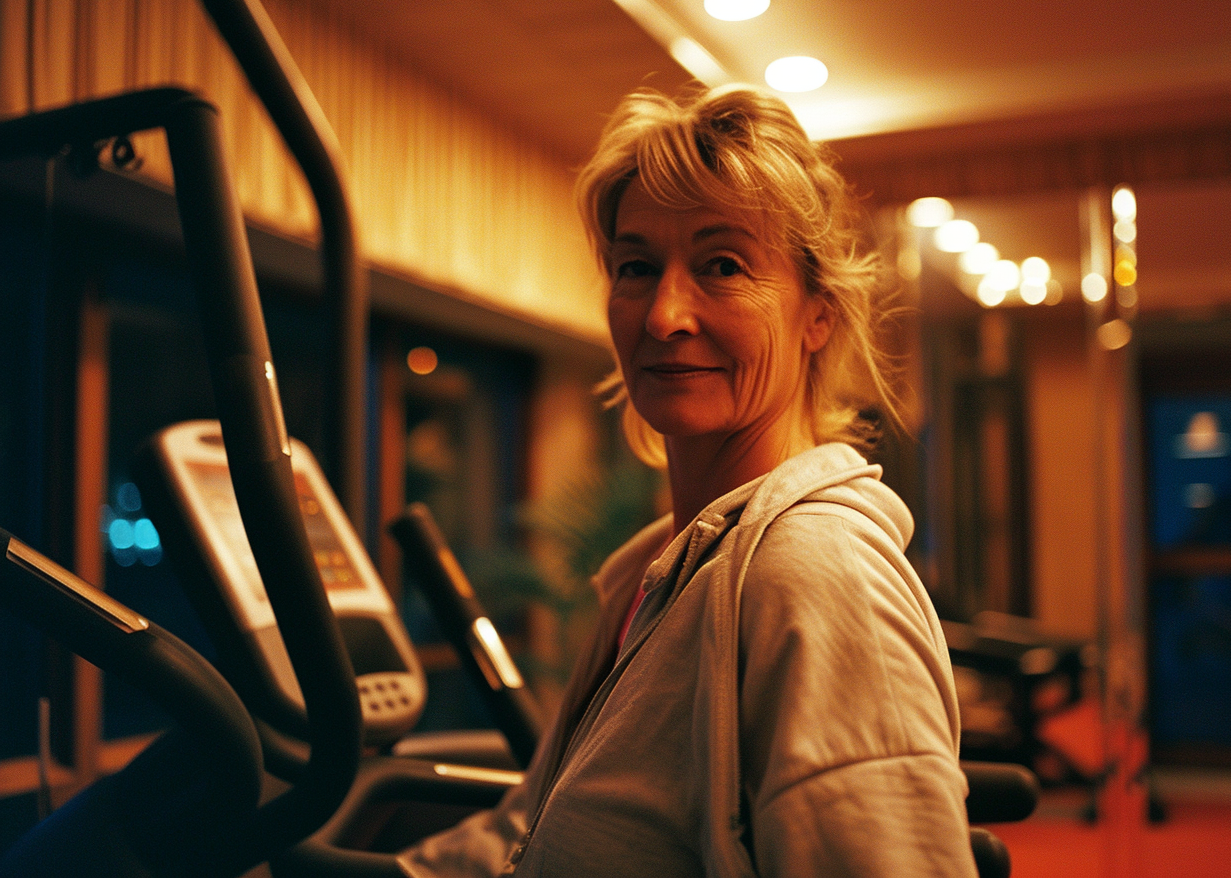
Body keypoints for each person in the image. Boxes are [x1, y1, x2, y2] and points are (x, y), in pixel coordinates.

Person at [399, 85, 977, 877]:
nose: (664, 313)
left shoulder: (813, 573)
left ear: (819, 314)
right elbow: (520, 834)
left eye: (723, 265)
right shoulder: (657, 569)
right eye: (636, 267)